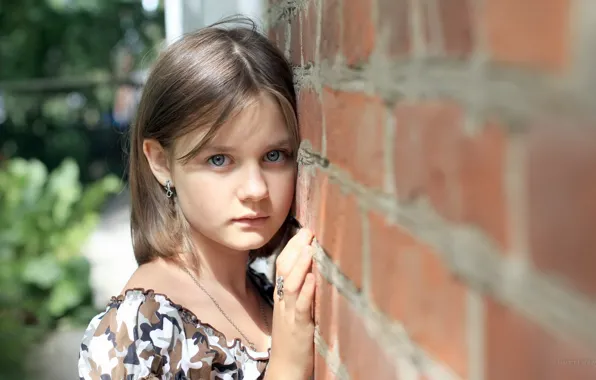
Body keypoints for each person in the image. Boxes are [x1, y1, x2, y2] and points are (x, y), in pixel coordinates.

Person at [78, 17, 316, 380]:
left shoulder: (265, 292)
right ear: (161, 162)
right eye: (219, 160)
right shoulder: (134, 337)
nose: (255, 189)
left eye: (274, 155)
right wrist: (288, 366)